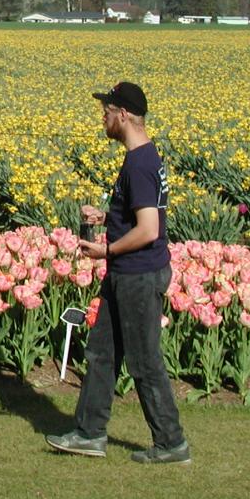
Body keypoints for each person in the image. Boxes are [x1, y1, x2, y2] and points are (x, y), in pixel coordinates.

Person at [46, 81, 191, 464]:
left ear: (123, 115)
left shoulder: (140, 164)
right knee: (101, 353)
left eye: (106, 111)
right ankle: (89, 433)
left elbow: (149, 230)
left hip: (138, 276)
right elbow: (140, 217)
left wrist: (106, 248)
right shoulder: (143, 158)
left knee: (144, 362)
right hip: (126, 274)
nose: (103, 116)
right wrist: (108, 217)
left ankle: (171, 443)